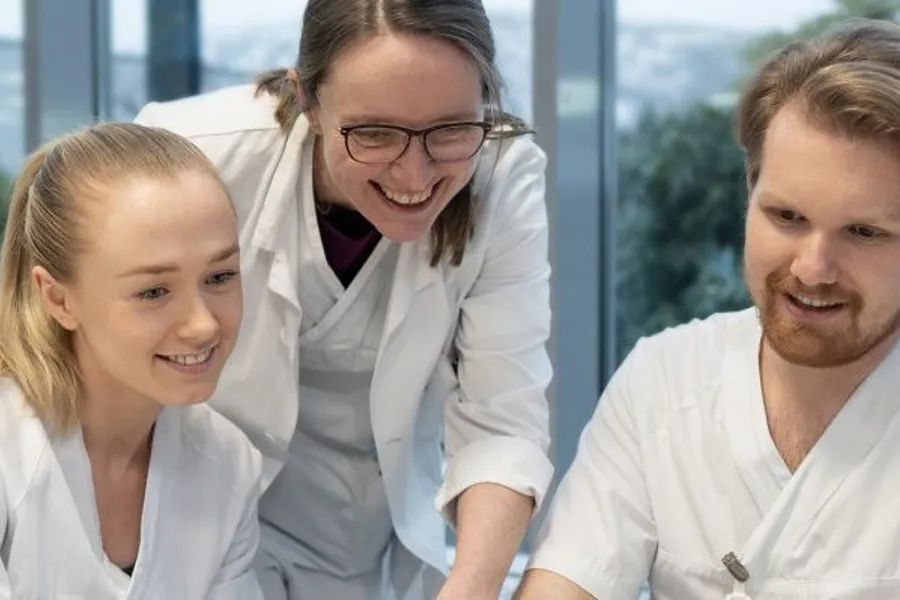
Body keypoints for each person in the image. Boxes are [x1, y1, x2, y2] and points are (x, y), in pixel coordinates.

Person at [133, 0, 553, 598]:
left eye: (451, 130)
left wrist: (472, 587)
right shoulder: (190, 155)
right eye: (375, 134)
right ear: (308, 101)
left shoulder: (501, 176)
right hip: (184, 519)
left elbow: (501, 417)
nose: (414, 177)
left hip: (352, 540)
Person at [515, 18, 900, 600]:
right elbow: (566, 583)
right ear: (749, 197)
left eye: (864, 232)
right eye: (786, 218)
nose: (813, 268)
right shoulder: (664, 382)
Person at [0, 123, 264, 599]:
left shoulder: (228, 464)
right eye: (153, 291)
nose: (202, 324)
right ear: (59, 299)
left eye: (220, 276)